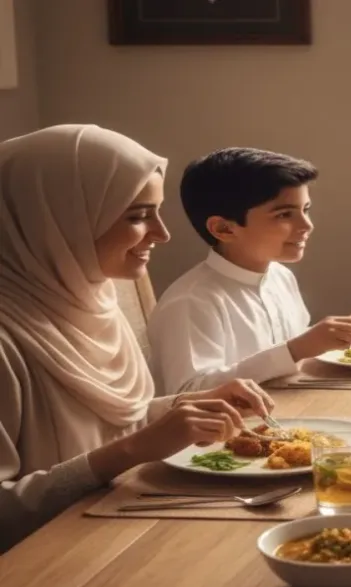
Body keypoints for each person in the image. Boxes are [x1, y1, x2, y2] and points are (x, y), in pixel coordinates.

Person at [0, 125, 274, 552]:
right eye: (137, 215)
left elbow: (107, 425)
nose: (162, 233)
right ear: (55, 220)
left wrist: (183, 408)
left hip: (115, 535)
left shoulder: (89, 301)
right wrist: (130, 450)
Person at [146, 148, 351, 393]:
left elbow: (288, 347)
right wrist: (295, 350)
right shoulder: (191, 302)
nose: (307, 225)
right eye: (284, 215)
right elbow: (189, 393)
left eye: (305, 210)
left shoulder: (280, 276)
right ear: (224, 229)